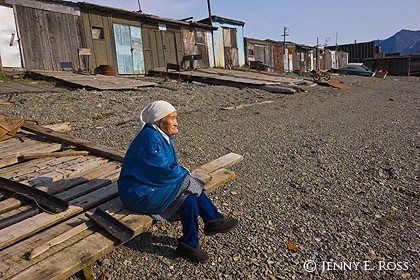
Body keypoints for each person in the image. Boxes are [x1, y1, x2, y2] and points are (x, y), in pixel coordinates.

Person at [118, 100, 238, 263]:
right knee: (188, 182)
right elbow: (163, 169)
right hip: (138, 194)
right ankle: (213, 220)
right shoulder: (149, 138)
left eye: (176, 118)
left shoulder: (159, 135)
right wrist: (185, 174)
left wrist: (183, 175)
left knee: (189, 200)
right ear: (159, 120)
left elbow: (165, 170)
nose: (176, 123)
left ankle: (189, 245)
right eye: (172, 118)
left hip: (151, 187)